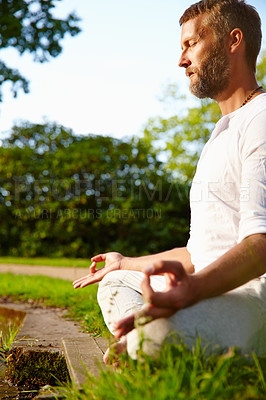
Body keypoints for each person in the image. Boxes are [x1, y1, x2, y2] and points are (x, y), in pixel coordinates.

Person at [74, 0, 266, 362]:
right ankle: (141, 343)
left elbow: (261, 244)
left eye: (190, 44)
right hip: (202, 287)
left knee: (158, 334)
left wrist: (191, 290)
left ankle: (145, 344)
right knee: (115, 283)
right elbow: (198, 253)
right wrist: (125, 263)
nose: (181, 61)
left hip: (250, 293)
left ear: (233, 40)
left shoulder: (261, 120)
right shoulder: (222, 132)